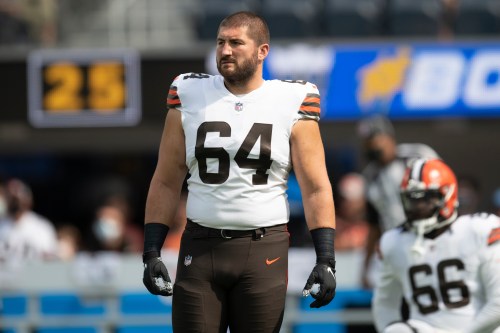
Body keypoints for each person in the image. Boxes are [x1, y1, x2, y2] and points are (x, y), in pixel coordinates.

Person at [142, 11, 337, 332]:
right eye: (220, 42)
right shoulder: (189, 91)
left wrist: (326, 258)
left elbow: (316, 186)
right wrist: (151, 250)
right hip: (200, 247)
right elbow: (166, 178)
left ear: (263, 51)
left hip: (263, 249)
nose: (225, 50)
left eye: (236, 43)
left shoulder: (293, 98)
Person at [372, 158, 500, 333]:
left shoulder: (480, 229)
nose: (417, 207)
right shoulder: (394, 241)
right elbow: (385, 304)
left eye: (425, 199)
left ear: (447, 195)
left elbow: (498, 304)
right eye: (411, 200)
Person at [357, 114, 440, 289]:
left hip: (431, 239)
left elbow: (445, 191)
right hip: (398, 247)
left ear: (388, 136)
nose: (372, 144)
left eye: (375, 138)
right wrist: (365, 267)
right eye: (367, 140)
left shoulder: (418, 155)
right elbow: (374, 224)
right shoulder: (370, 176)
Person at [0, 178, 58, 262]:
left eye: (17, 197)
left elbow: (51, 261)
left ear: (28, 199)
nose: (15, 202)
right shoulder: (1, 224)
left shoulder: (41, 227)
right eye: (11, 197)